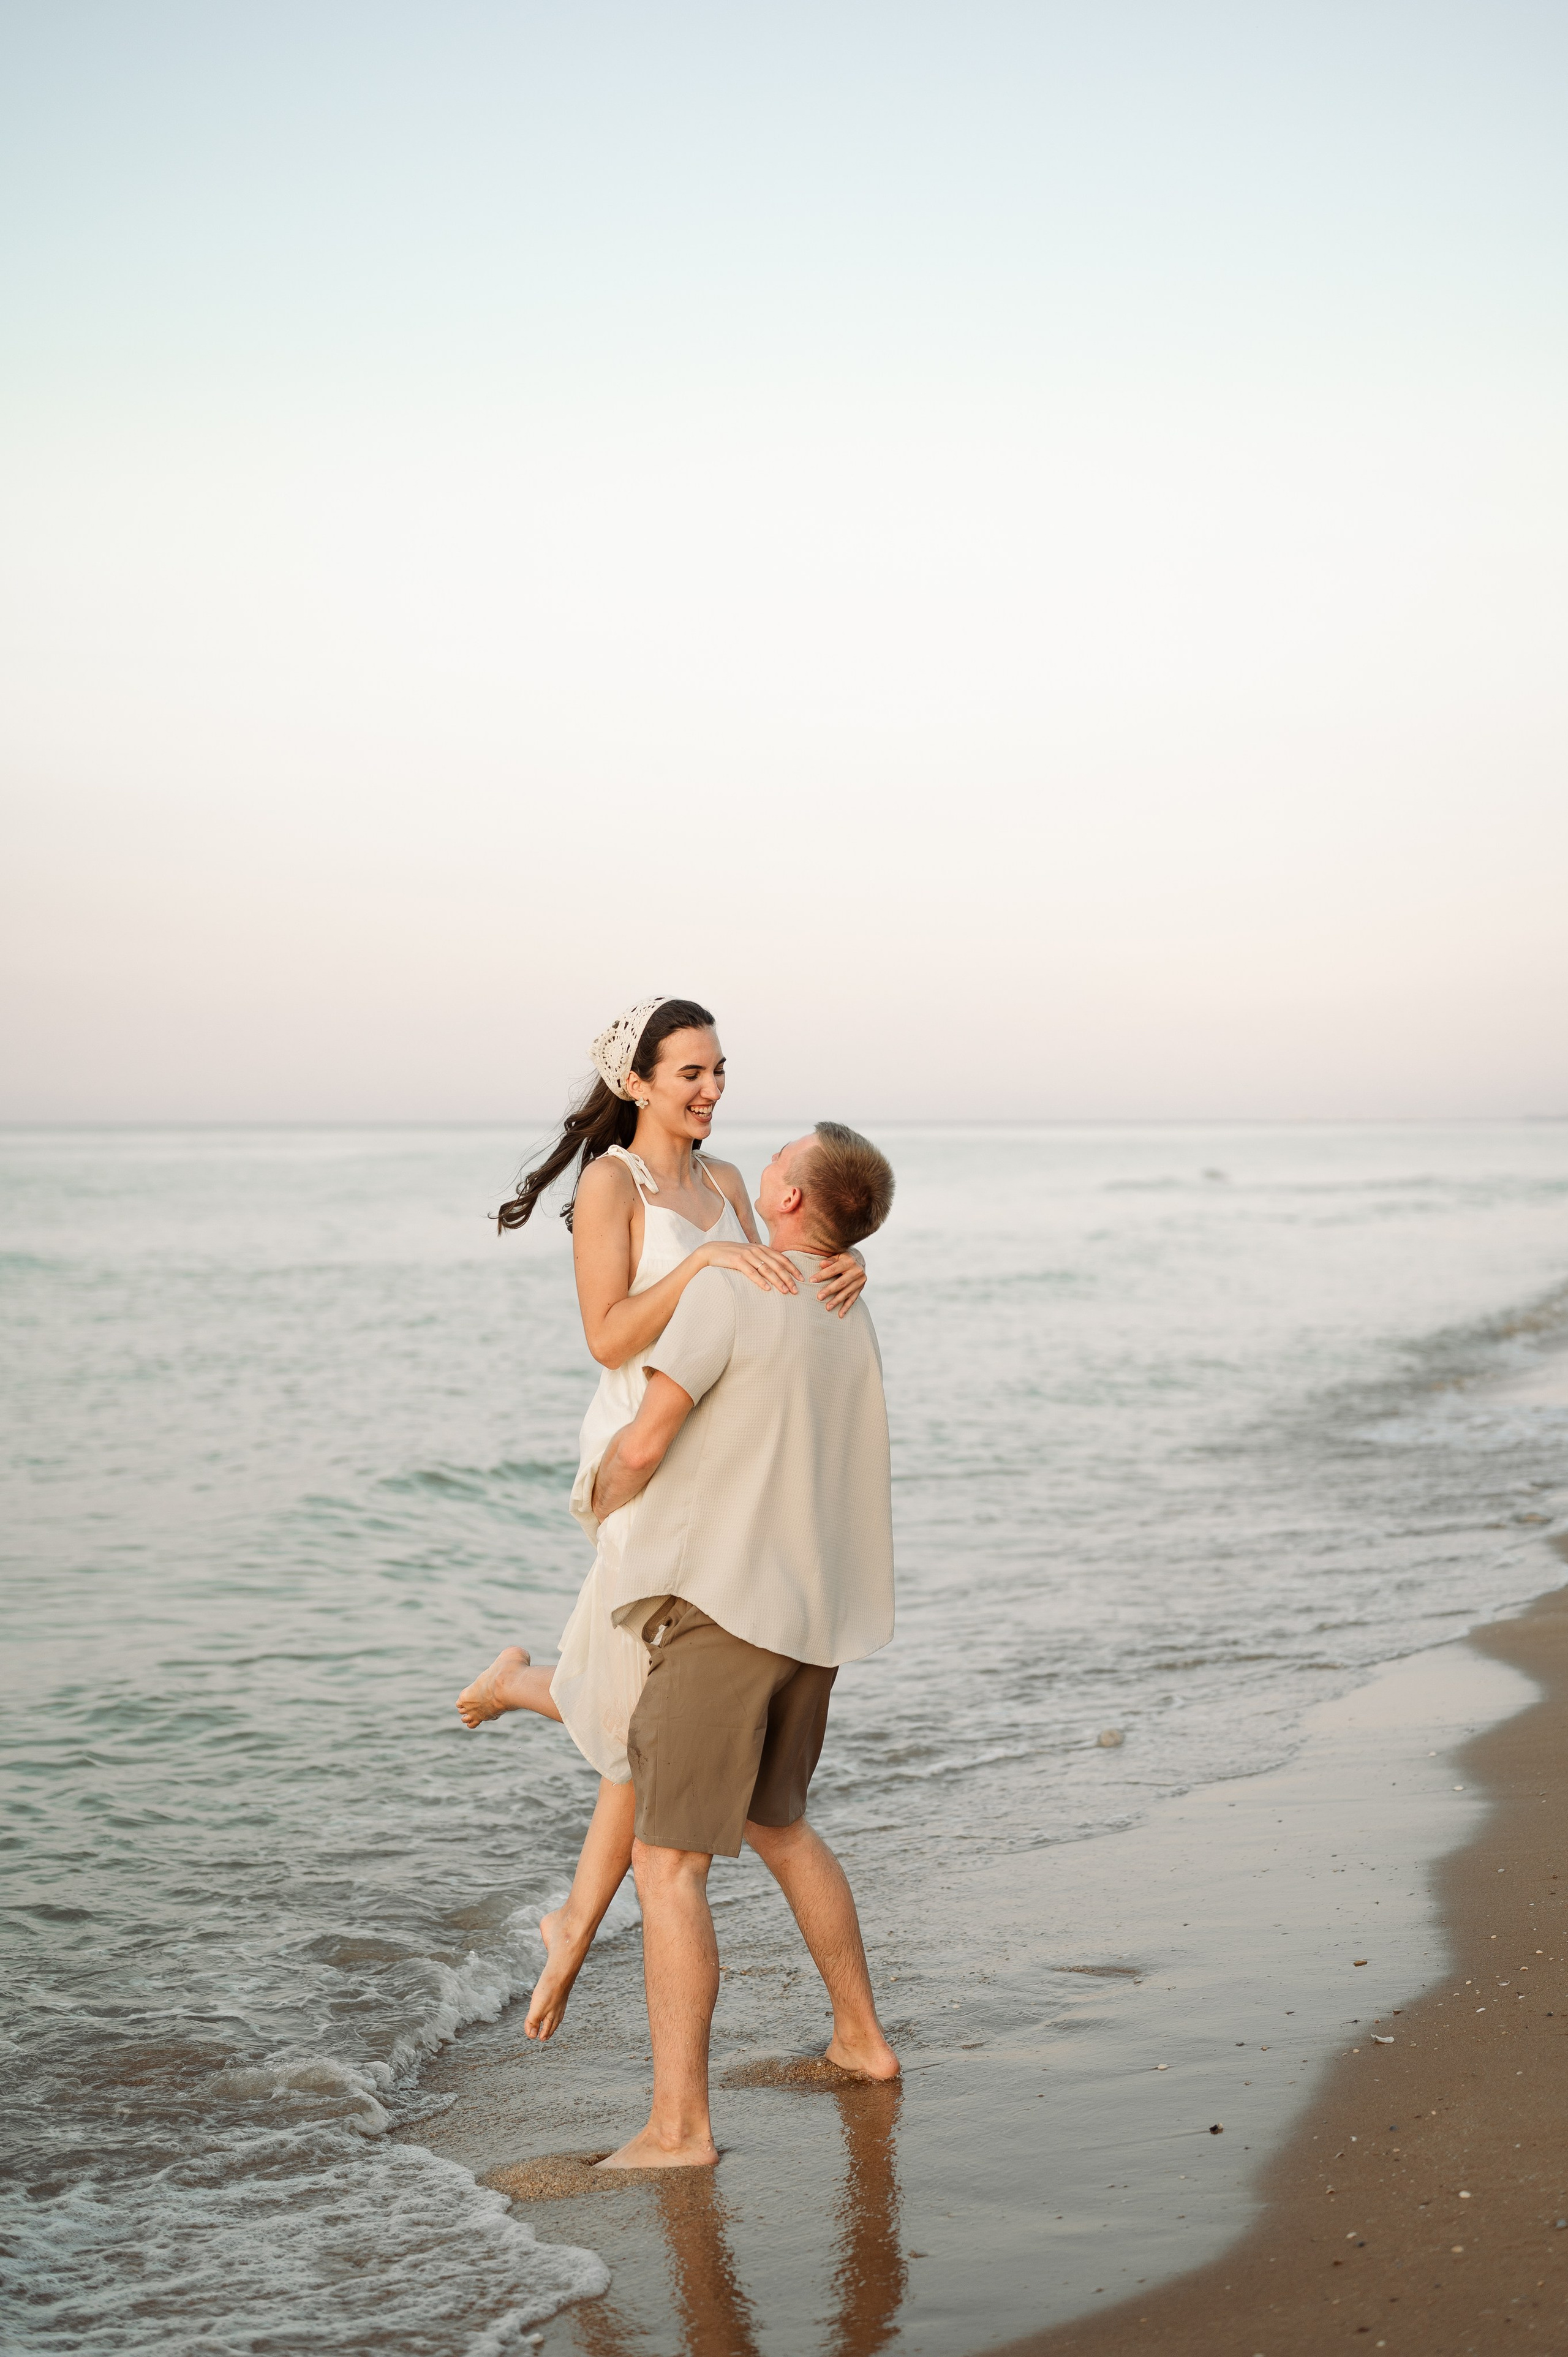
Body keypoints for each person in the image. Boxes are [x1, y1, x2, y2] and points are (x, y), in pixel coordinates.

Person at [454, 998, 868, 2037]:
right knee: (642, 1714)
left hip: (713, 1459)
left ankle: (568, 1920)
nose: (711, 1091)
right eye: (689, 1073)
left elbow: (776, 1277)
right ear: (637, 1082)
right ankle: (533, 1737)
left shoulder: (730, 1182)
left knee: (643, 1722)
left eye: (720, 1071)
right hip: (642, 1447)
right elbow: (607, 1336)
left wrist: (847, 1265)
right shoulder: (612, 1183)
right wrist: (698, 1264)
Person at [584, 1120, 901, 2169]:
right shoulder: (847, 1304)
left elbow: (643, 1440)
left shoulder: (733, 1292)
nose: (760, 1163)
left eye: (781, 1161)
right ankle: (861, 2039)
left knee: (666, 1863)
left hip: (724, 1611)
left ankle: (680, 2127)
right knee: (781, 1824)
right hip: (813, 1617)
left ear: (798, 1203)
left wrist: (595, 1504)